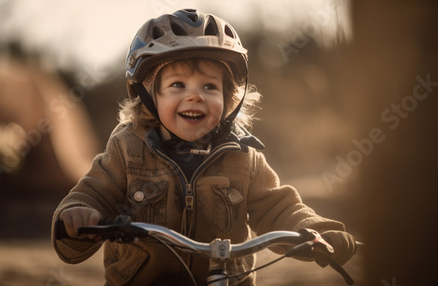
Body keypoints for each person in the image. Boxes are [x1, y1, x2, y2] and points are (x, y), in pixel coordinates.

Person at [51, 9, 357, 286]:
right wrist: (78, 215)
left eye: (209, 86)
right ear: (148, 97)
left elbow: (279, 207)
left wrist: (316, 230)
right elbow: (94, 192)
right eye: (177, 85)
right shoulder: (127, 149)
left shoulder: (244, 158)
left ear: (229, 98)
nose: (195, 96)